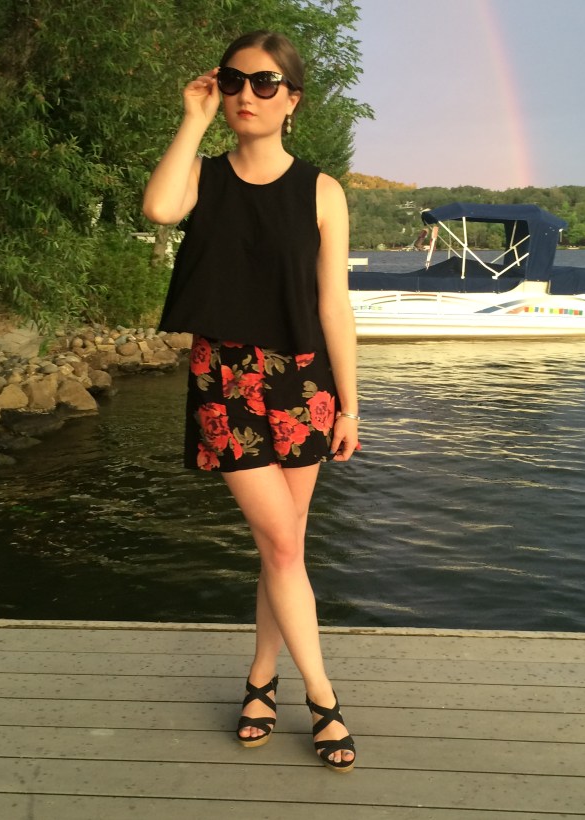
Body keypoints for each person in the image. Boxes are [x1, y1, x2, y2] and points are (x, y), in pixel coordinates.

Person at [142, 30, 359, 773]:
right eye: (235, 81)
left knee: (283, 546)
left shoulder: (322, 191)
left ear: (292, 100)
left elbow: (335, 306)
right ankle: (323, 700)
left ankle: (260, 681)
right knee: (284, 544)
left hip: (305, 385)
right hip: (227, 383)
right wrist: (193, 116)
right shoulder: (204, 176)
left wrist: (351, 406)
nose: (246, 95)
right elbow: (160, 209)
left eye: (265, 84)